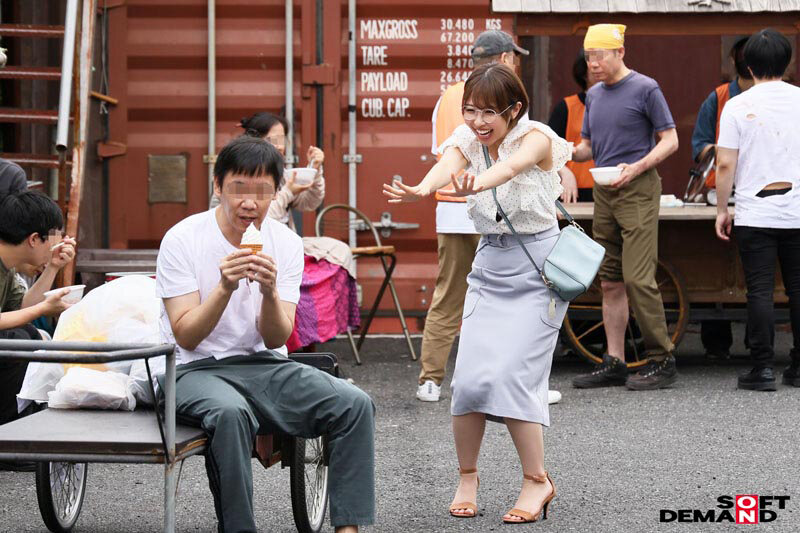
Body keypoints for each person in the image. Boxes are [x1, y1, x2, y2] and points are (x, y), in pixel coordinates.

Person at [156, 136, 375, 532]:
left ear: (276, 192)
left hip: (261, 363)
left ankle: (348, 528)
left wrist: (271, 291)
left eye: (262, 191)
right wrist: (224, 287)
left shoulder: (285, 243)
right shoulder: (182, 239)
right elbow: (185, 335)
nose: (249, 202)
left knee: (354, 404)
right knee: (230, 412)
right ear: (218, 186)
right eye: (238, 188)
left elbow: (276, 338)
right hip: (192, 368)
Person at [384, 63, 571, 524]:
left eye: (489, 112)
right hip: (489, 267)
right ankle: (467, 476)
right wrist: (422, 189)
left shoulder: (537, 138)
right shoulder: (469, 139)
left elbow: (511, 167)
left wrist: (479, 182)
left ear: (514, 109)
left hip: (537, 270)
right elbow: (447, 164)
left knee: (512, 377)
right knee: (468, 380)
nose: (478, 121)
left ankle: (537, 481)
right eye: (470, 110)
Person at [417, 29, 527, 402]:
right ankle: (508, 379)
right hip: (491, 209)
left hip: (450, 209)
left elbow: (441, 154)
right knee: (504, 295)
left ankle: (430, 379)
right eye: (514, 58)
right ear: (505, 59)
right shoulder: (506, 98)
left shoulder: (448, 97)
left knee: (448, 295)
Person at [571, 24, 680, 390]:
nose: (593, 63)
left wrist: (637, 167)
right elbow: (587, 149)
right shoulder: (594, 95)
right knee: (609, 280)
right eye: (589, 57)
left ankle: (662, 358)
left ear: (620, 52)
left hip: (638, 188)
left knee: (637, 277)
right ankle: (615, 361)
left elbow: (671, 140)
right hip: (605, 192)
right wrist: (560, 151)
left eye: (599, 56)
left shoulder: (646, 88)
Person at [714, 28, 800, 391]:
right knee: (798, 289)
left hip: (755, 212)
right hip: (797, 211)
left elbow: (724, 165)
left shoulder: (737, 105)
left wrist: (722, 208)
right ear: (787, 63)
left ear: (747, 65)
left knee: (760, 291)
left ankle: (762, 368)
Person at [691, 36, 754, 360]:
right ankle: (716, 342)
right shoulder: (718, 98)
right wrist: (724, 148)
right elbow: (699, 146)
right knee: (711, 261)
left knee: (758, 273)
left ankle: (757, 341)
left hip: (757, 191)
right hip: (721, 191)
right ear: (733, 61)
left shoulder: (773, 97)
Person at [0, 190, 76, 426]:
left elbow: (22, 309)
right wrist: (43, 308)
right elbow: (29, 312)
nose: (55, 247)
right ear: (34, 239)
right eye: (52, 241)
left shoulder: (7, 267)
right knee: (19, 340)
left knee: (29, 334)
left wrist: (53, 267)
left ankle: (18, 422)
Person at [239, 112, 325, 230]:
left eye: (281, 140)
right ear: (254, 141)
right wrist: (288, 192)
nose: (279, 146)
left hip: (283, 238)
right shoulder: (241, 175)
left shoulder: (280, 175)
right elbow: (260, 219)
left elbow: (309, 203)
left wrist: (315, 169)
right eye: (272, 140)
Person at [547, 49, 597, 202]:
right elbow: (547, 150)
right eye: (593, 65)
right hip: (573, 193)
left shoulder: (620, 106)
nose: (600, 68)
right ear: (584, 73)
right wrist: (564, 171)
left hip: (613, 189)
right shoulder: (566, 107)